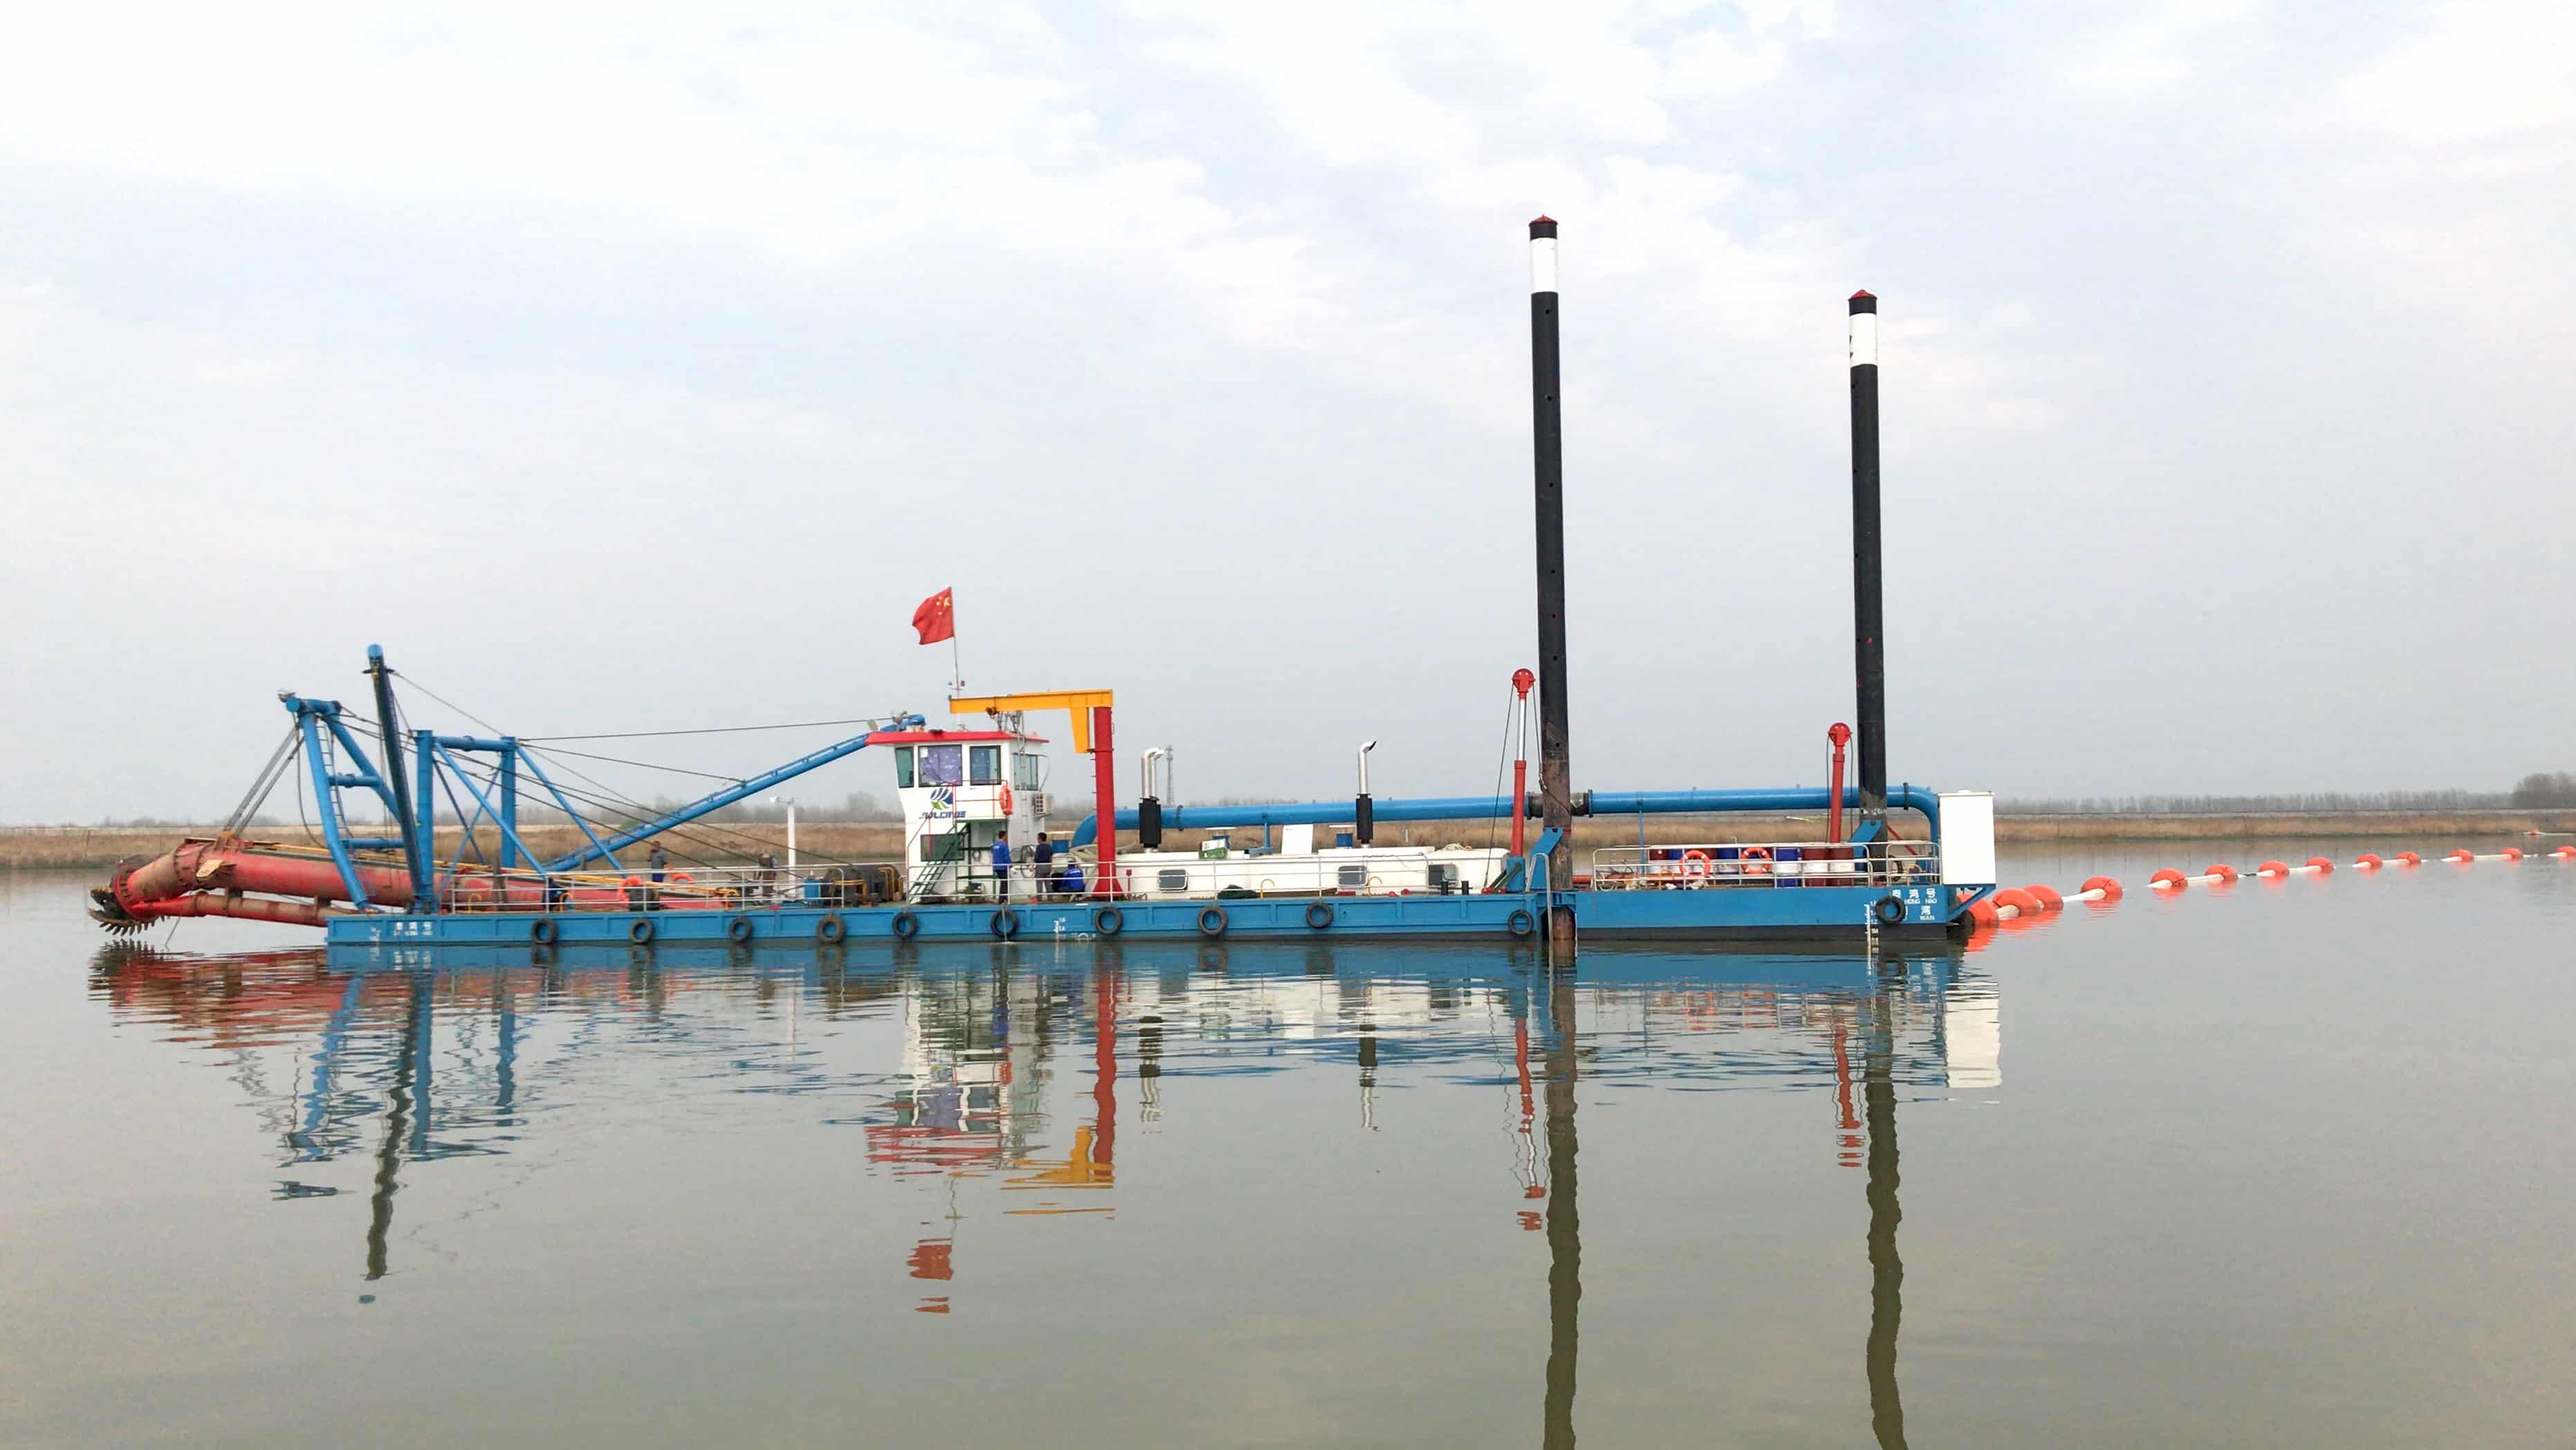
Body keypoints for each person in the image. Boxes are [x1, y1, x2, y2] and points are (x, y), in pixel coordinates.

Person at [990, 829, 1011, 903]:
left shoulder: (994, 844)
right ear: (1003, 836)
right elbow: (1006, 857)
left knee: (1003, 882)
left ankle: (1003, 898)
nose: (1007, 837)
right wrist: (1011, 866)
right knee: (1005, 883)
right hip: (1003, 867)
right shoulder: (1004, 845)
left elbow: (992, 851)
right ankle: (1002, 899)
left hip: (996, 867)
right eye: (1006, 836)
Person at [647, 842, 670, 910]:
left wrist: (665, 872)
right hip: (653, 872)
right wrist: (651, 853)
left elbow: (666, 862)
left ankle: (657, 902)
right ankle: (655, 902)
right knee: (653, 887)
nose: (653, 848)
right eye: (652, 846)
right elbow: (648, 860)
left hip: (659, 872)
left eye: (654, 846)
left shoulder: (663, 853)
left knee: (658, 888)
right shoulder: (653, 853)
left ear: (658, 846)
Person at [1033, 832, 1055, 897]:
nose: (1037, 840)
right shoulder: (1050, 846)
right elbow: (1051, 857)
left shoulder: (1039, 847)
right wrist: (1050, 866)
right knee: (1048, 883)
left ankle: (1039, 898)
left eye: (1038, 838)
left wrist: (1032, 866)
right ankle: (1050, 898)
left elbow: (1036, 858)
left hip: (1040, 867)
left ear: (1040, 839)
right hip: (1048, 866)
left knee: (1039, 884)